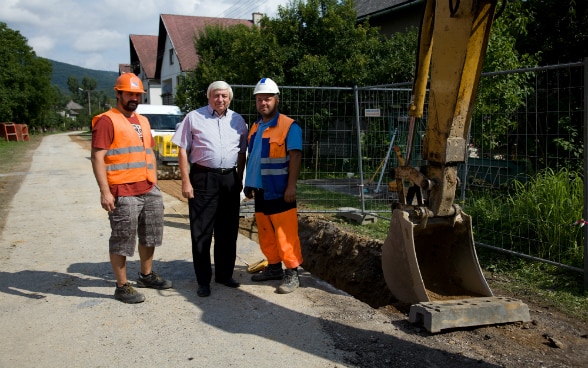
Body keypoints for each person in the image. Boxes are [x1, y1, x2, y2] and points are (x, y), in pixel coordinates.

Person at [91, 73, 172, 304]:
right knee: (122, 238)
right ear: (118, 93)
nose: (134, 98)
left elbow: (149, 153)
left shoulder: (143, 120)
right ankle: (122, 286)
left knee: (151, 235)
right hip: (123, 190)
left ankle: (145, 275)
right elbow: (98, 157)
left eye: (137, 94)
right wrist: (105, 191)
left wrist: (154, 182)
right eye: (129, 94)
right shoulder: (107, 120)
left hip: (148, 187)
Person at [172, 81, 248, 298]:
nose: (220, 99)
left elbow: (242, 152)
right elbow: (182, 150)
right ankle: (203, 280)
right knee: (202, 231)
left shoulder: (238, 120)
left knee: (228, 230)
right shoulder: (194, 118)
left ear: (230, 98)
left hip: (229, 179)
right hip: (203, 178)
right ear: (209, 97)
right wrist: (185, 182)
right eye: (216, 95)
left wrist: (239, 179)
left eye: (224, 96)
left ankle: (224, 274)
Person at [243, 78, 304, 294]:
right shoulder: (256, 127)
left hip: (280, 190)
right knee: (266, 233)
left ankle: (292, 273)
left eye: (267, 99)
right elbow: (254, 158)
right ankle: (274, 268)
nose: (263, 103)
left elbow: (295, 157)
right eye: (259, 99)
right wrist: (248, 184)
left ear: (276, 100)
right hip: (260, 190)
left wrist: (291, 187)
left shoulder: (289, 126)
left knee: (286, 235)